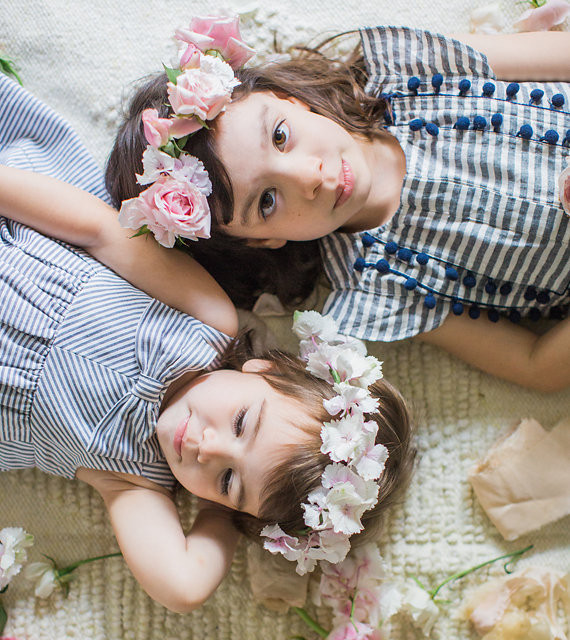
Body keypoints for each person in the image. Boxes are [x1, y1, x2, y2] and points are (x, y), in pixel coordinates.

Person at [0, 72, 415, 612]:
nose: (207, 447)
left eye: (226, 479)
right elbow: (96, 229)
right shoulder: (207, 317)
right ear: (262, 372)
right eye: (242, 424)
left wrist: (227, 513)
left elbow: (185, 588)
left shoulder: (134, 481)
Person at [107, 18, 570, 392]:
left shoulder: (412, 71)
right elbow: (534, 365)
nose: (310, 177)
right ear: (265, 240)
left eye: (280, 136)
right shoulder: (378, 287)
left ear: (285, 98)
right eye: (267, 201)